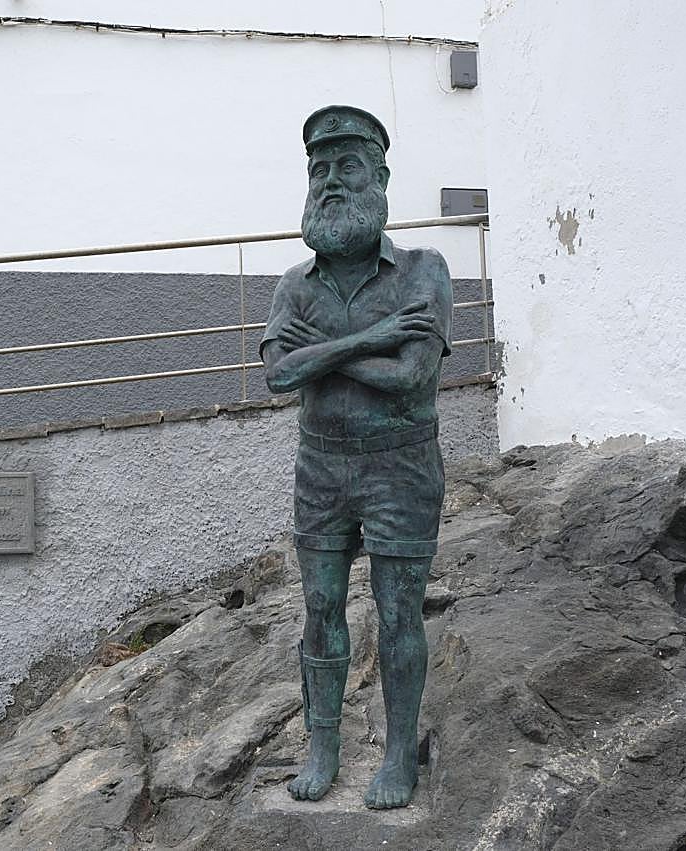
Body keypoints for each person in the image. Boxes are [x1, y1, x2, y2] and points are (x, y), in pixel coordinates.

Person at [261, 105, 452, 809]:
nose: (330, 181)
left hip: (401, 464)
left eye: (346, 166)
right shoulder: (294, 284)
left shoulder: (424, 271)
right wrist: (368, 340)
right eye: (319, 169)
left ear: (380, 175)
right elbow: (279, 376)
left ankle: (398, 755)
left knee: (399, 610)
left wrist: (320, 355)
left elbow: (413, 380)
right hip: (321, 464)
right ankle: (324, 747)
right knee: (320, 608)